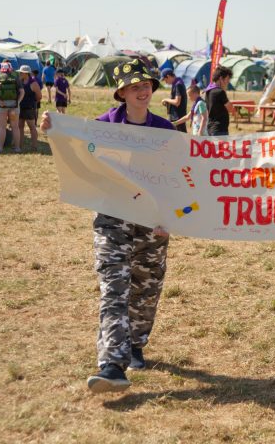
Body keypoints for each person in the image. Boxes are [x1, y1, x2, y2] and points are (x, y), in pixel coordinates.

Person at [39, 59, 174, 393]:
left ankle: (136, 344)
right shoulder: (102, 127)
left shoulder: (165, 130)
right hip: (112, 221)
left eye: (147, 86)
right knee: (114, 289)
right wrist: (53, 129)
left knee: (146, 287)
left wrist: (168, 218)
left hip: (151, 225)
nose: (143, 92)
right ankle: (112, 364)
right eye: (135, 87)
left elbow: (176, 179)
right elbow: (78, 157)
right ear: (122, 93)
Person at [0, 61, 24, 154]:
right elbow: (22, 92)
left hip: (1, 106)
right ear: (10, 69)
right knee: (15, 127)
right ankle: (17, 148)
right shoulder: (15, 78)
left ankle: (0, 148)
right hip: (14, 106)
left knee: (1, 127)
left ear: (1, 69)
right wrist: (17, 102)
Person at [17, 65, 43, 151]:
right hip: (20, 108)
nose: (20, 74)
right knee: (20, 127)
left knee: (32, 127)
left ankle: (34, 147)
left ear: (26, 73)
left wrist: (33, 103)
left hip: (29, 108)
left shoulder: (34, 83)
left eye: (21, 72)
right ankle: (19, 146)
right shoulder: (20, 82)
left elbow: (39, 96)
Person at [205, 66, 234, 136]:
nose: (228, 82)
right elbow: (231, 109)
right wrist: (224, 90)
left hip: (211, 127)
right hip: (220, 129)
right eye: (227, 79)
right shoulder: (220, 92)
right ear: (221, 78)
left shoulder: (208, 90)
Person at [160, 67, 188, 133]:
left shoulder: (178, 84)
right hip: (174, 116)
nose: (165, 82)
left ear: (168, 76)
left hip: (178, 116)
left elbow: (177, 102)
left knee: (182, 136)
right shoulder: (176, 83)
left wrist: (166, 99)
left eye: (165, 80)